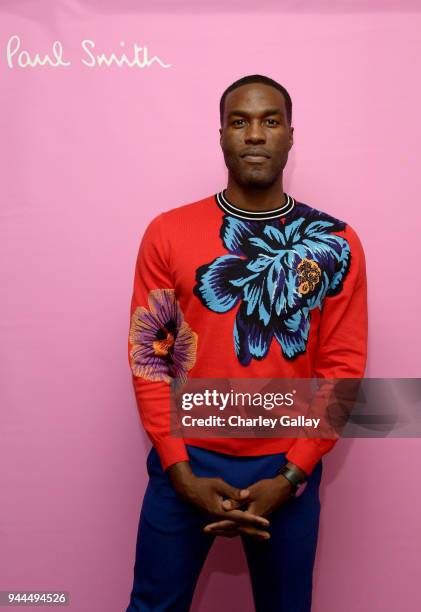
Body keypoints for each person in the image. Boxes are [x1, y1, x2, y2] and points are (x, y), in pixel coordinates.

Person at [125, 74, 368, 611]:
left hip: (287, 467)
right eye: (240, 121)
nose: (254, 134)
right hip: (185, 463)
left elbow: (342, 368)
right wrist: (179, 470)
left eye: (269, 121)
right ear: (221, 136)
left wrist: (292, 473)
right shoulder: (167, 232)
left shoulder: (337, 242)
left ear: (289, 136)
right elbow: (150, 358)